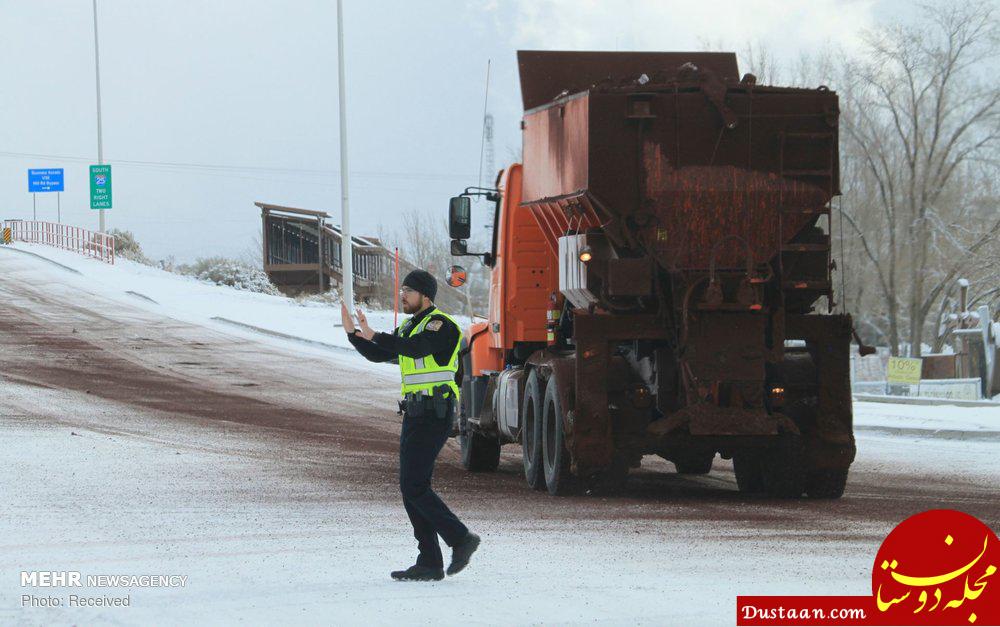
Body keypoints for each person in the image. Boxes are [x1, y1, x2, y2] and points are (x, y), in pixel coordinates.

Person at [341, 269, 481, 582]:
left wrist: (375, 334)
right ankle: (430, 561)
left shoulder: (441, 324)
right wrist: (354, 335)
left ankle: (460, 538)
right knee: (411, 486)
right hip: (416, 412)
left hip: (435, 410)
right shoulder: (409, 325)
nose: (402, 295)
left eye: (408, 291)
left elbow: (416, 349)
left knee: (414, 485)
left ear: (425, 295)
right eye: (402, 290)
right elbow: (381, 354)